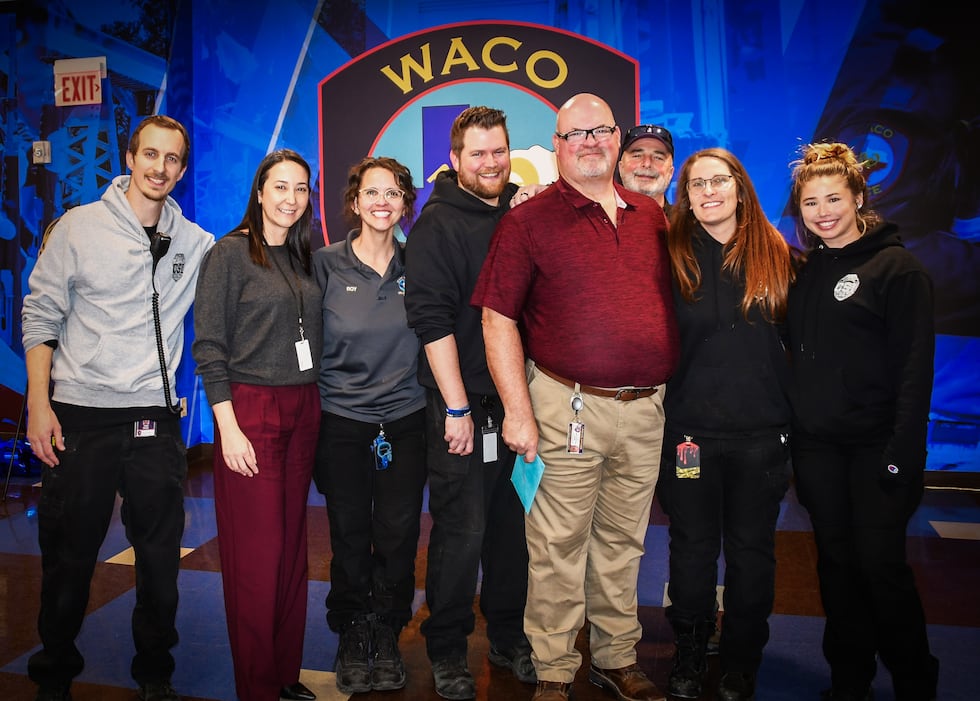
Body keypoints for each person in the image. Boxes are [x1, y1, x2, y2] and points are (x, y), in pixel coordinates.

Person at [473, 93, 678, 701]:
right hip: (566, 408)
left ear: (617, 141)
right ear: (557, 145)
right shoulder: (527, 220)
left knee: (624, 543)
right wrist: (518, 411)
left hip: (646, 410)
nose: (589, 142)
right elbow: (497, 319)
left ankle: (615, 658)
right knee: (556, 547)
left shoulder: (652, 217)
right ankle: (557, 668)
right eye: (575, 134)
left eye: (601, 131)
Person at [22, 114, 214, 701]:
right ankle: (55, 669)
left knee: (160, 560)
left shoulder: (196, 243)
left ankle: (154, 672)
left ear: (183, 168)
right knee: (70, 554)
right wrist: (38, 405)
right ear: (130, 158)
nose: (160, 168)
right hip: (82, 414)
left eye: (173, 159)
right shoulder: (77, 229)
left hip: (156, 419)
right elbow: (40, 318)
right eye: (150, 155)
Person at [786, 142, 939, 701]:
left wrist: (904, 451)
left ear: (858, 199)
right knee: (837, 568)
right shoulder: (804, 272)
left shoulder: (898, 269)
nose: (822, 211)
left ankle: (915, 680)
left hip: (879, 451)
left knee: (881, 570)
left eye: (833, 198)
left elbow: (914, 371)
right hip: (819, 452)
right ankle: (850, 679)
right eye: (810, 203)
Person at [404, 105, 535, 700]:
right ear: (454, 160)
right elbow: (430, 320)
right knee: (462, 530)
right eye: (477, 152)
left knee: (512, 530)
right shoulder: (438, 223)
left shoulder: (520, 210)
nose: (490, 162)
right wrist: (456, 407)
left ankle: (510, 637)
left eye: (498, 150)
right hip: (461, 406)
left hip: (518, 402)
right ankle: (449, 648)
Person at [657, 147, 796, 701]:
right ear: (685, 197)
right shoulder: (669, 255)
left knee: (751, 552)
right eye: (697, 184)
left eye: (719, 181)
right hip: (690, 434)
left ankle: (740, 660)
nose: (709, 191)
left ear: (740, 186)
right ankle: (689, 653)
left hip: (762, 437)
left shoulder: (778, 252)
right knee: (690, 549)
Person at [192, 149, 322, 701]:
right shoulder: (229, 254)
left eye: (300, 189)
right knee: (256, 555)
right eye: (280, 187)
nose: (290, 198)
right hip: (250, 411)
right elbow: (209, 346)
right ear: (260, 191)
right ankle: (258, 686)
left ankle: (284, 675)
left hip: (304, 408)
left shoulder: (301, 255)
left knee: (293, 549)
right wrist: (229, 426)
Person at [312, 156, 426, 695]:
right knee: (350, 534)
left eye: (394, 193)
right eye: (371, 193)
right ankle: (353, 628)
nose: (382, 202)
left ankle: (387, 628)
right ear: (354, 204)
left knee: (399, 534)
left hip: (405, 421)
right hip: (342, 423)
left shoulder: (418, 266)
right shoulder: (325, 266)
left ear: (405, 202)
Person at [617, 123, 675, 215]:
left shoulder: (685, 226)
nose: (647, 164)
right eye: (637, 156)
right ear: (621, 167)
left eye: (658, 157)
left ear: (670, 172)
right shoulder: (600, 224)